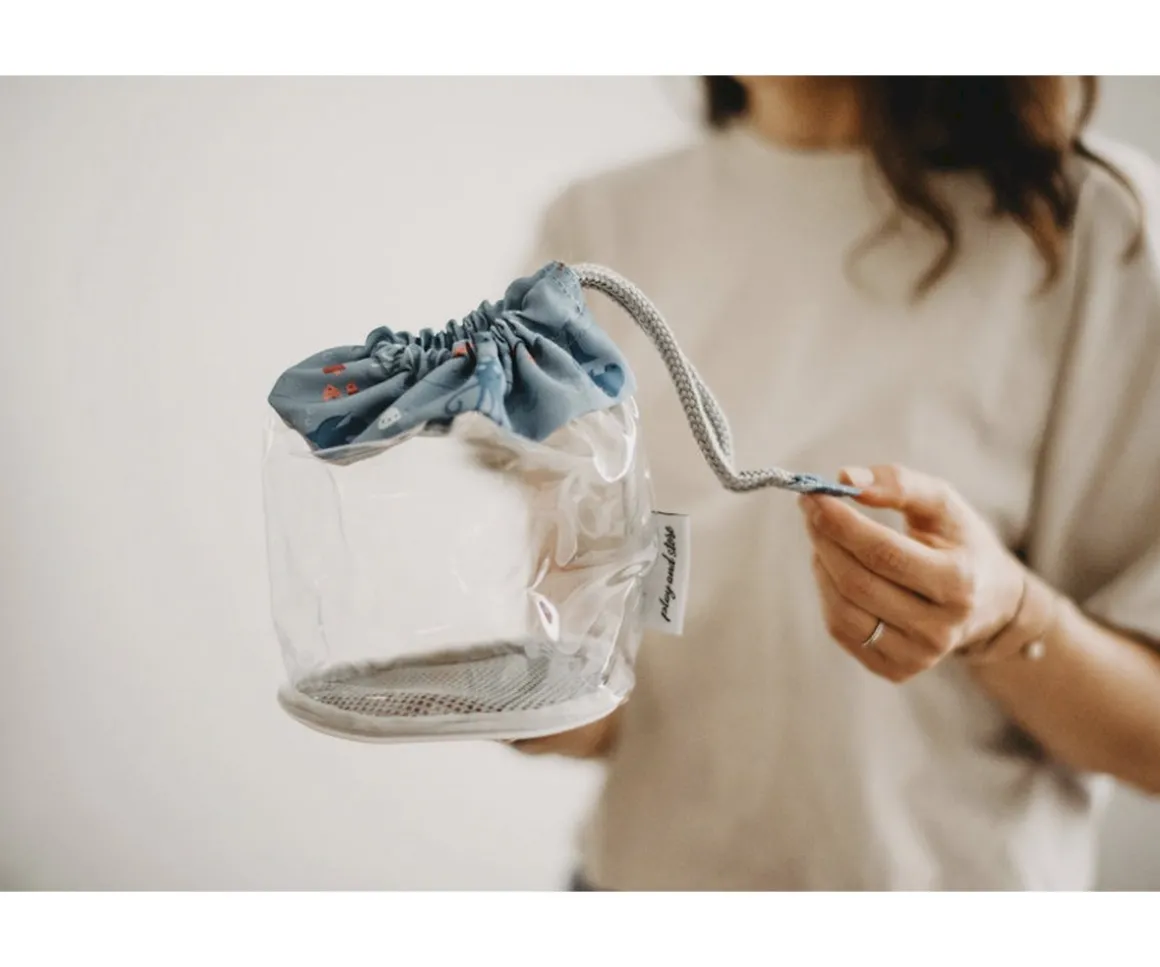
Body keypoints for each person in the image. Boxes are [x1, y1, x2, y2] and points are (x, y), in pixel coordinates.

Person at [511, 76, 1160, 891]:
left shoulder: (1094, 225)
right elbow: (592, 699)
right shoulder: (597, 229)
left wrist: (1005, 619)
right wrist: (532, 690)